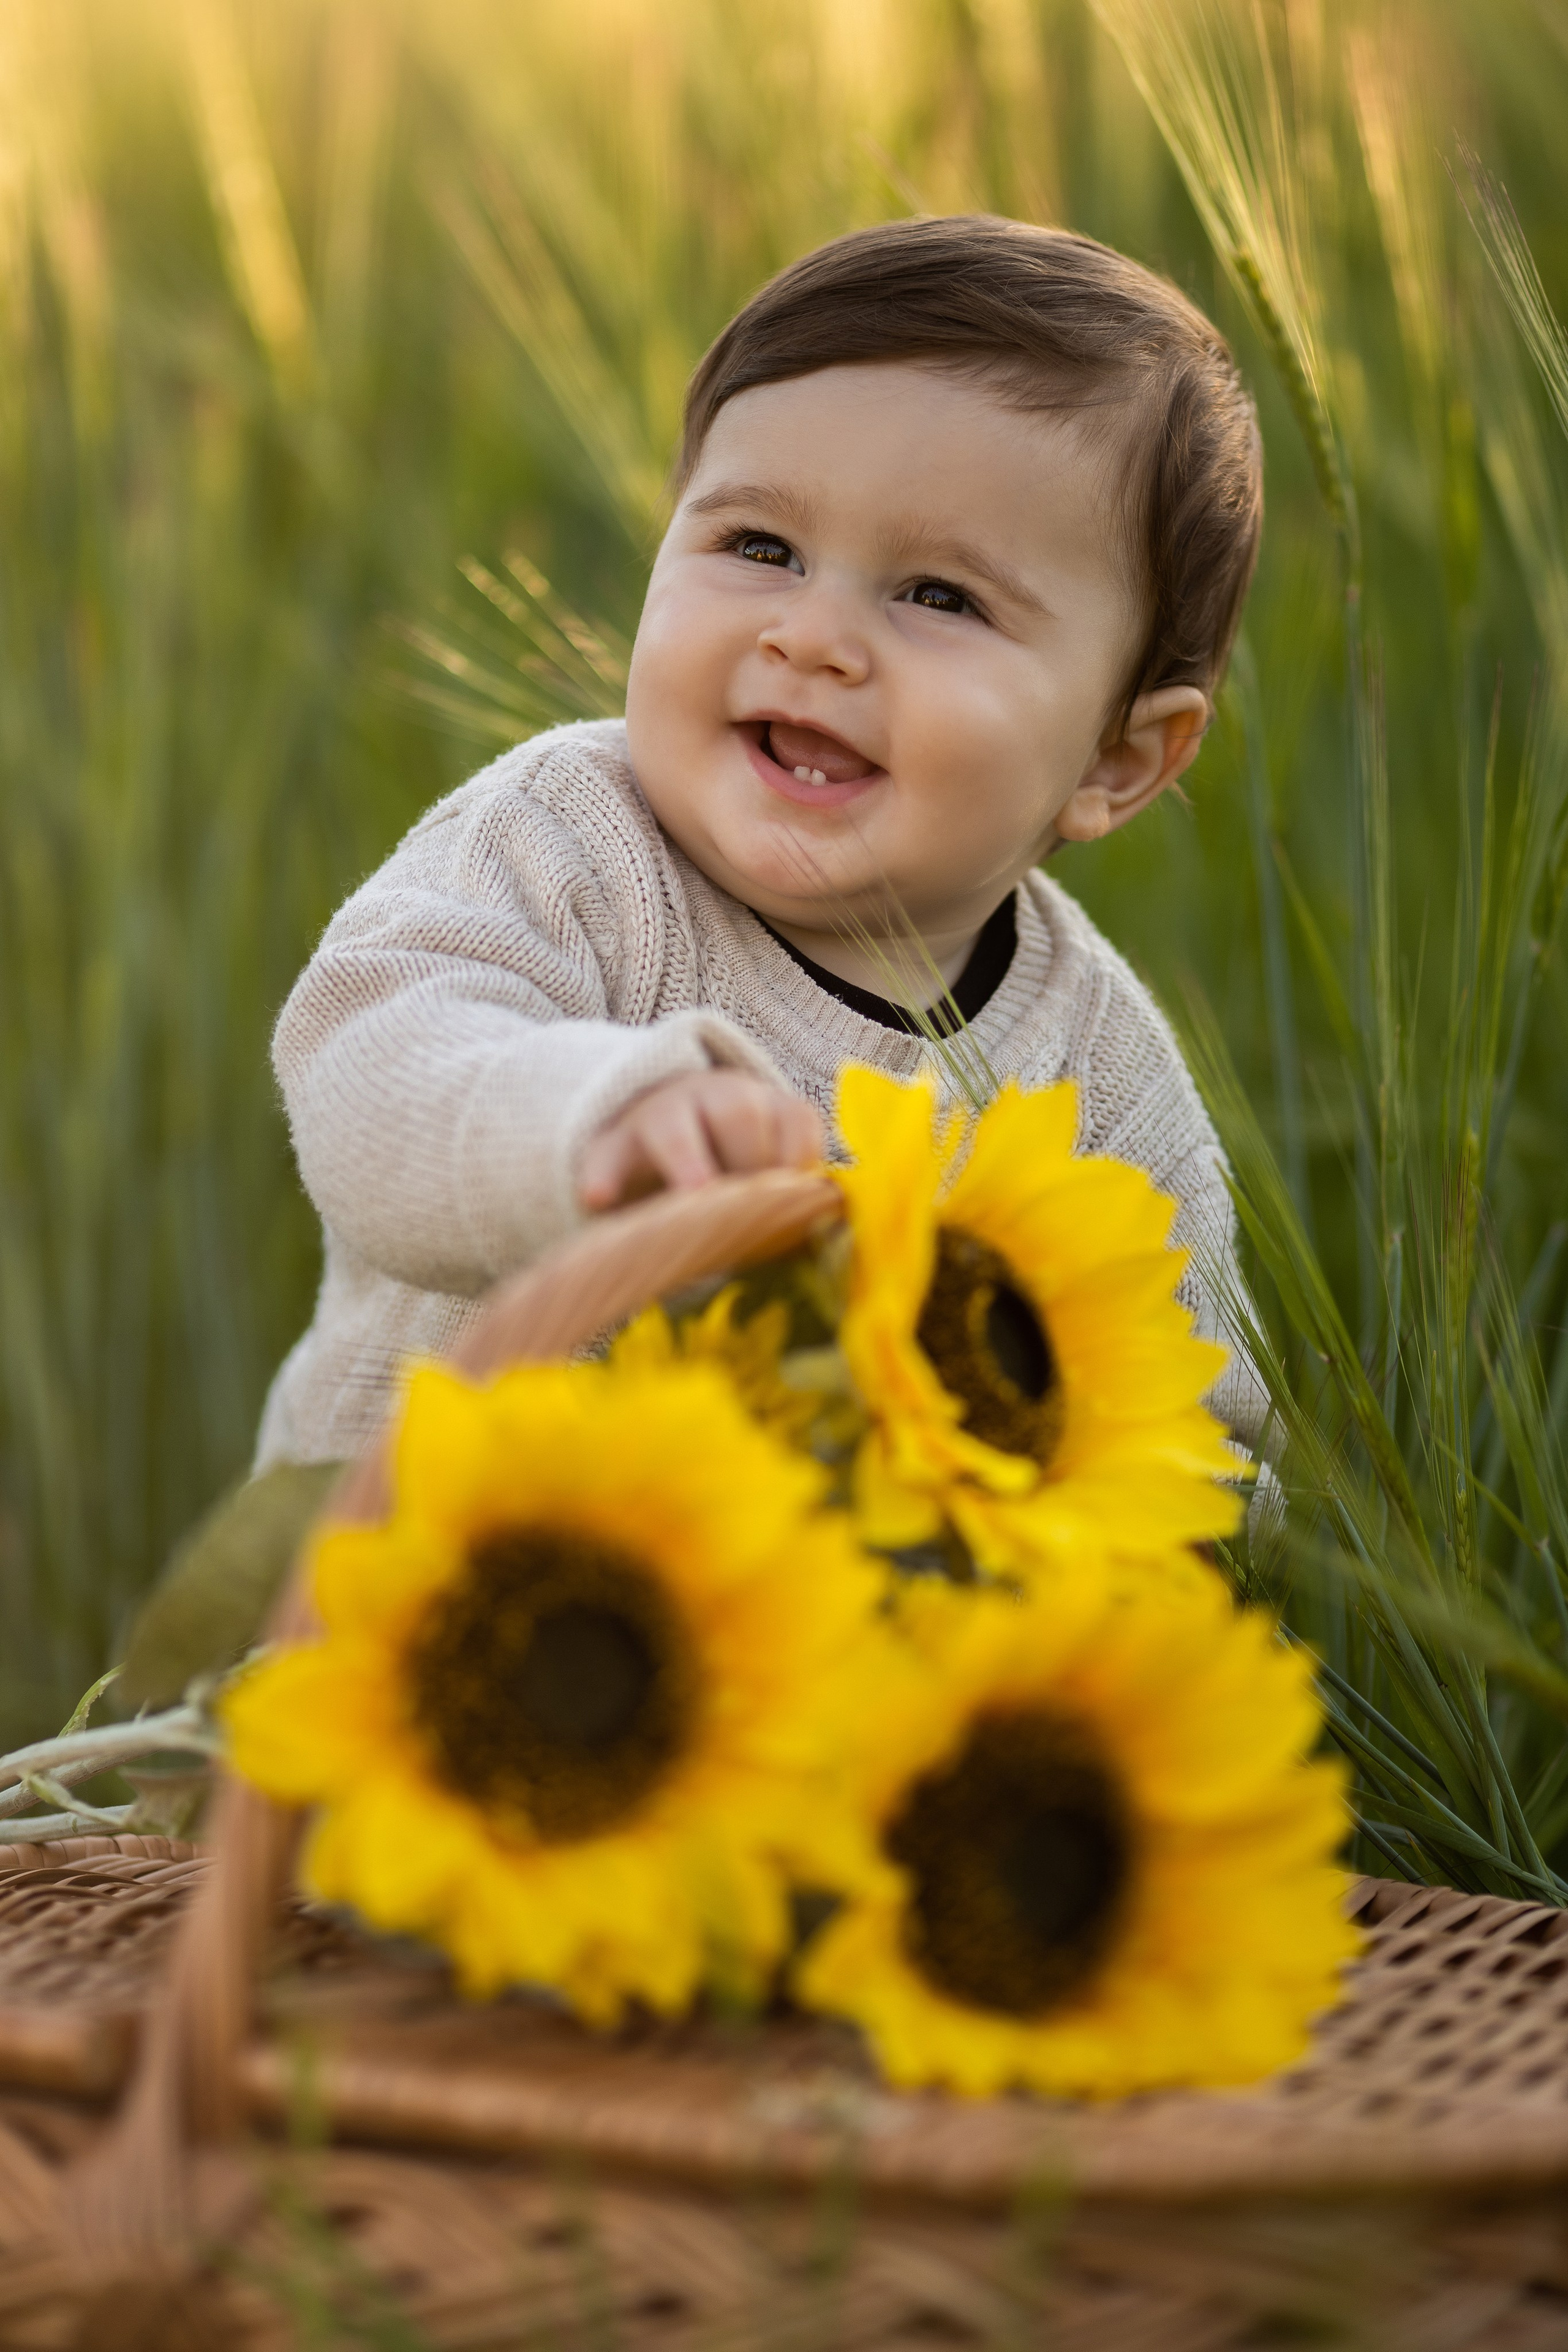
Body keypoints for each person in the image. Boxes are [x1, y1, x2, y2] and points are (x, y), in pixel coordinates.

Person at [254, 214, 1267, 1475]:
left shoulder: (1098, 1075)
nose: (813, 637)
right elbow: (367, 1062)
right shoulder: (573, 843)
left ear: (1119, 759)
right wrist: (591, 1120)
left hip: (777, 1601)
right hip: (390, 1554)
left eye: (939, 596)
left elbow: (1198, 1409)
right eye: (760, 548)